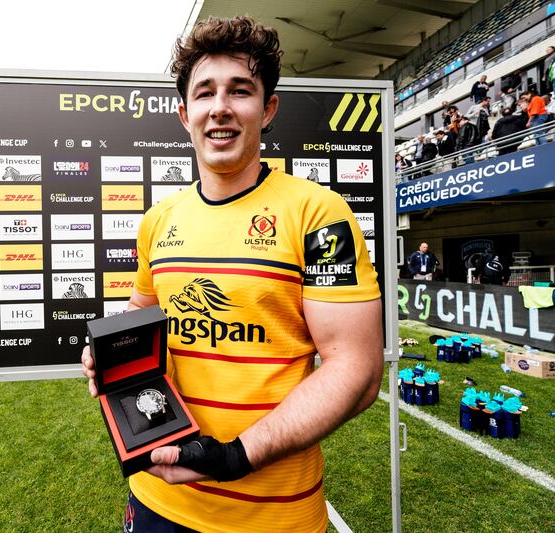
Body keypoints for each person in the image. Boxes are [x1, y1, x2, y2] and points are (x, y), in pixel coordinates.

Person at [81, 16, 383, 533]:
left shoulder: (318, 214)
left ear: (267, 110)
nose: (220, 107)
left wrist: (235, 456)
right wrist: (109, 351)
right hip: (156, 498)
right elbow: (141, 313)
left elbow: (356, 371)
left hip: (271, 514)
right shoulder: (160, 219)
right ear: (185, 114)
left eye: (240, 91)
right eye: (205, 93)